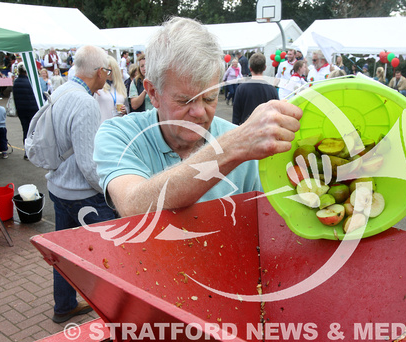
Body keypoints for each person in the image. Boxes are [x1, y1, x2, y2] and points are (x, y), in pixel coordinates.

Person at [94, 16, 302, 218]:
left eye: (210, 98)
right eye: (185, 100)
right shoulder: (119, 134)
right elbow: (133, 205)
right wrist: (233, 147)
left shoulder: (244, 145)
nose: (200, 112)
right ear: (153, 93)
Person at [46, 45, 117, 324]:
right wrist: (111, 190)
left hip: (58, 186)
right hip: (83, 194)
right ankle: (112, 310)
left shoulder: (61, 90)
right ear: (99, 72)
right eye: (107, 72)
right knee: (110, 254)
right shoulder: (85, 102)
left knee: (62, 254)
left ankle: (64, 305)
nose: (107, 77)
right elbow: (89, 166)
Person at [232, 53, 278, 125]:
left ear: (250, 68)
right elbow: (276, 115)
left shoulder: (241, 89)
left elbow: (236, 117)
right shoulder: (272, 90)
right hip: (266, 131)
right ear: (265, 68)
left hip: (246, 131)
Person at [12, 63, 39, 159]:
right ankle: (34, 151)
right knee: (34, 131)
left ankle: (27, 151)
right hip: (32, 109)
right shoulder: (31, 82)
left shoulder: (16, 82)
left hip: (21, 109)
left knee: (25, 130)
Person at [95, 56, 129, 122]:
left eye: (108, 69)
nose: (106, 71)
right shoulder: (98, 87)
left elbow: (127, 105)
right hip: (103, 124)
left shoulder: (120, 86)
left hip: (118, 125)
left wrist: (125, 110)